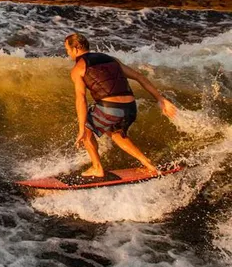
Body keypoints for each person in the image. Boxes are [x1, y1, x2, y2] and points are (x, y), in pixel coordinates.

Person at [65, 33, 178, 177]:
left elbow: (81, 99)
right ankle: (148, 163)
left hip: (110, 109)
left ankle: (97, 167)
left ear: (75, 49)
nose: (68, 53)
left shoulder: (78, 68)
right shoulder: (111, 59)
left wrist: (81, 128)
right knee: (116, 134)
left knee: (87, 129)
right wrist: (160, 99)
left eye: (67, 50)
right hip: (130, 107)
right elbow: (139, 76)